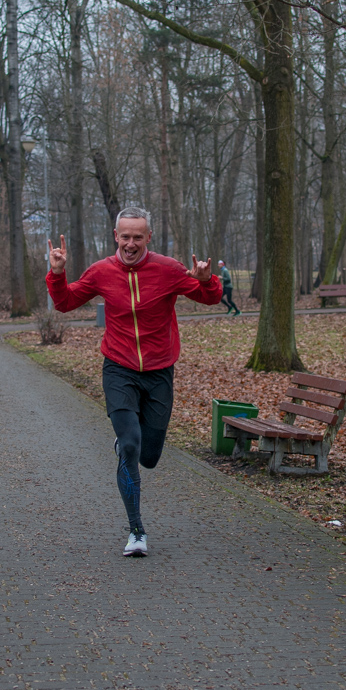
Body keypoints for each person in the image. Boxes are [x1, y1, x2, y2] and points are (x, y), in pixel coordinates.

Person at [46, 205, 222, 558]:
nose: (130, 243)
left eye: (137, 237)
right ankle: (136, 531)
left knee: (150, 457)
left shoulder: (168, 269)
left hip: (159, 372)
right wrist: (57, 273)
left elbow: (210, 297)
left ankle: (132, 447)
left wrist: (206, 279)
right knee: (130, 445)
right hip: (119, 369)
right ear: (116, 236)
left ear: (148, 238)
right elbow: (64, 303)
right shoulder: (100, 272)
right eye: (124, 236)